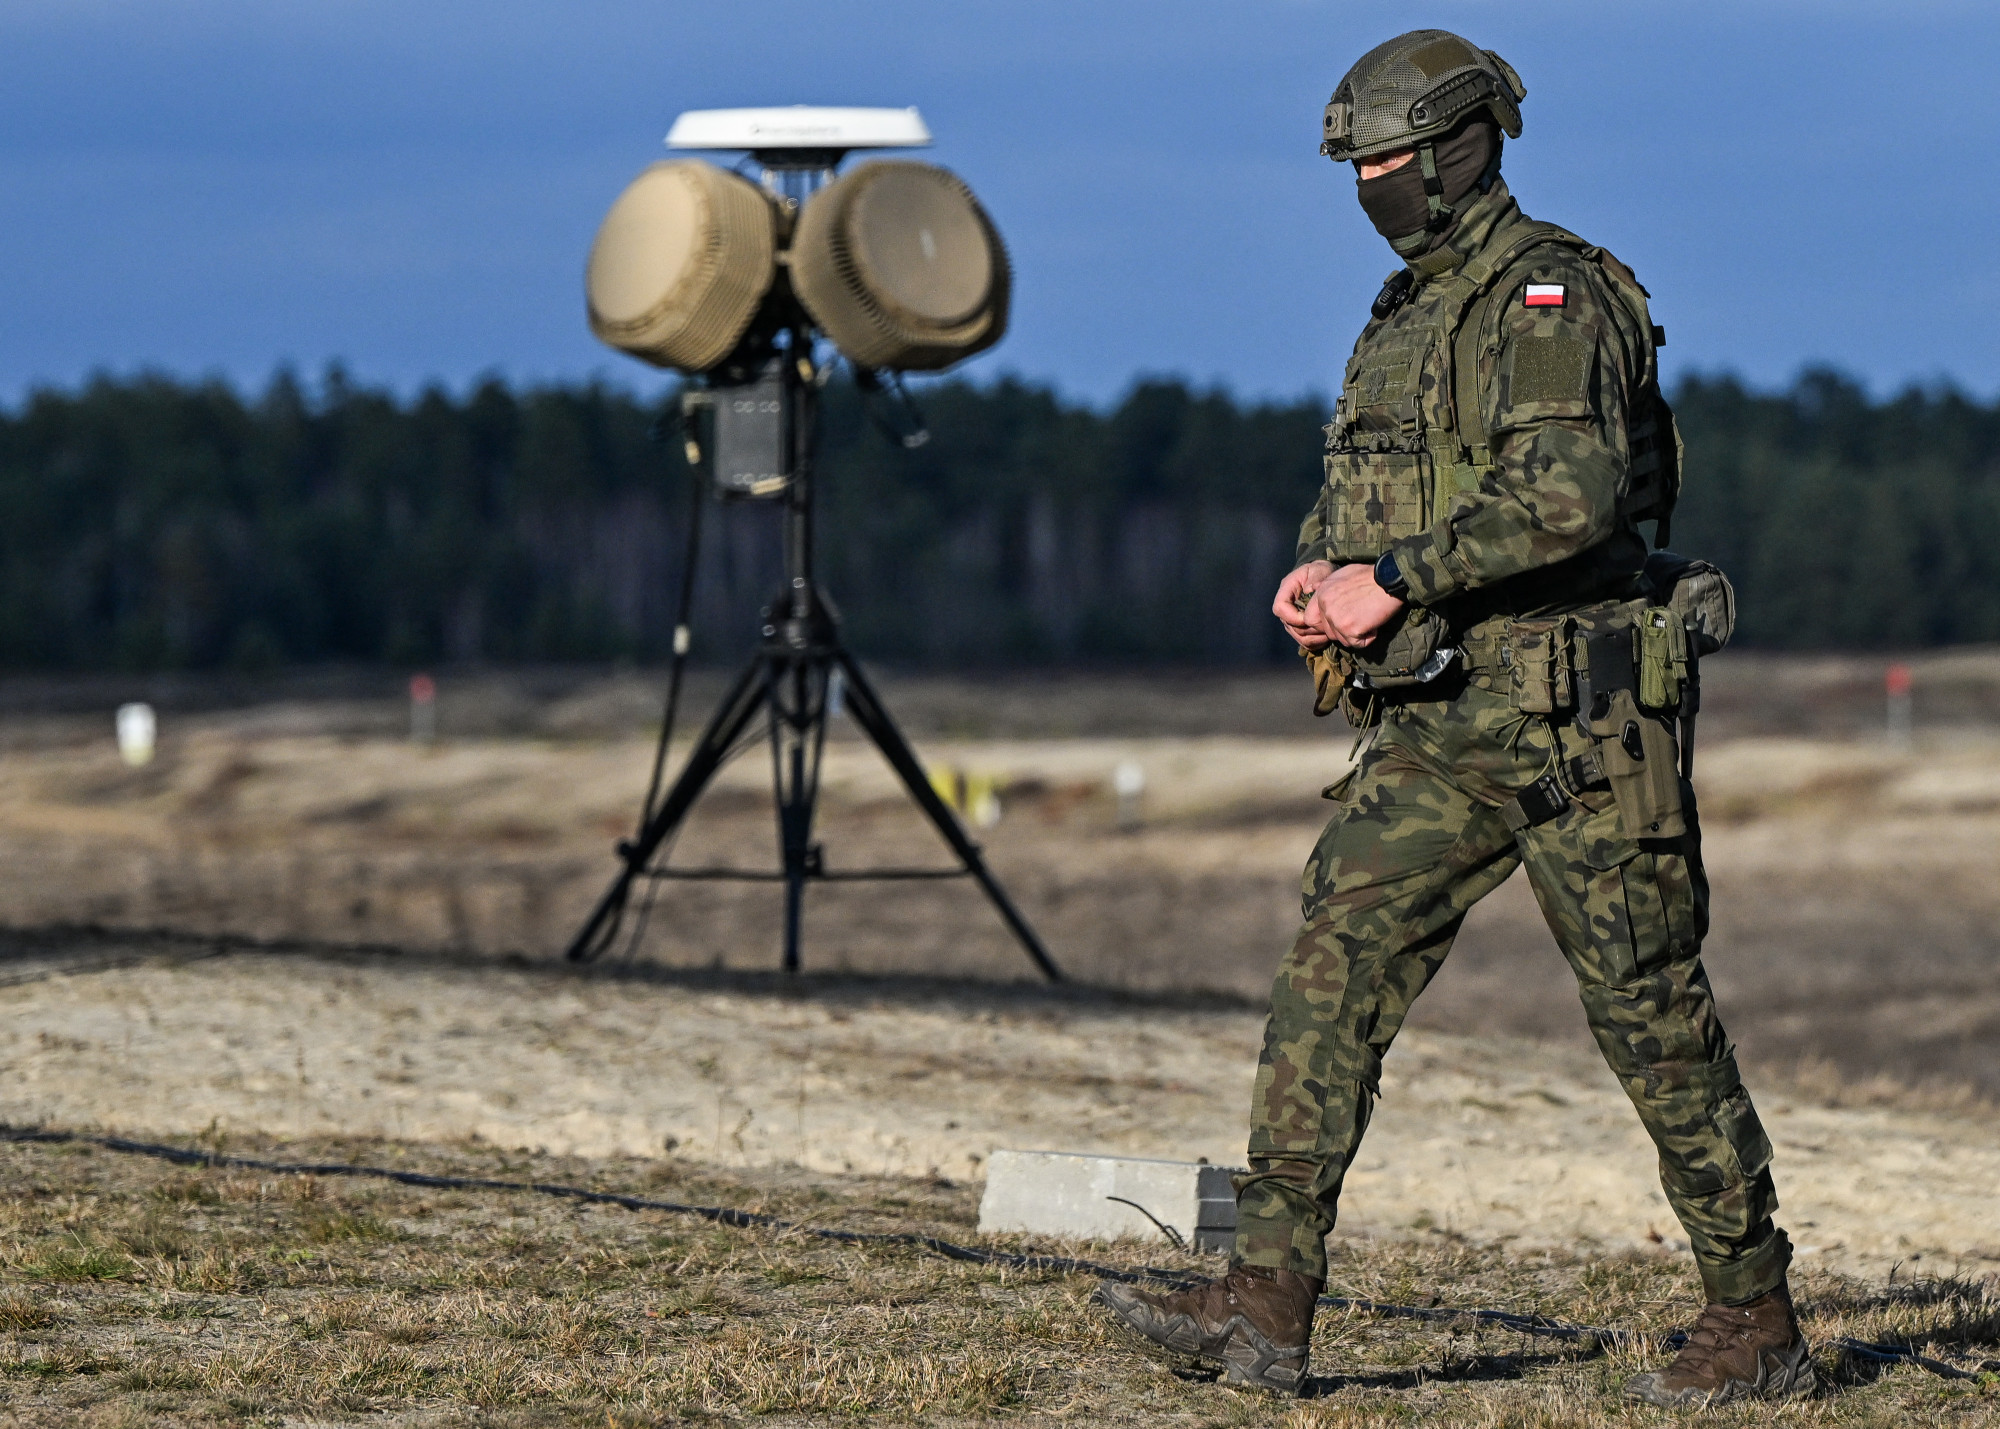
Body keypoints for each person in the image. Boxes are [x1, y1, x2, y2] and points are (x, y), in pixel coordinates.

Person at [1094, 30, 1814, 1407]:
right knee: (1335, 963)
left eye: (1388, 160)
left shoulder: (1550, 297)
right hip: (1438, 717)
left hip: (1577, 728)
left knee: (1651, 1015)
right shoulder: (1403, 315)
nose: (1371, 183)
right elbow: (1378, 491)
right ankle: (1267, 1302)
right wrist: (1323, 574)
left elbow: (1571, 494)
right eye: (1357, 165)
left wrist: (1398, 579)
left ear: (1458, 149)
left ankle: (1757, 1312)